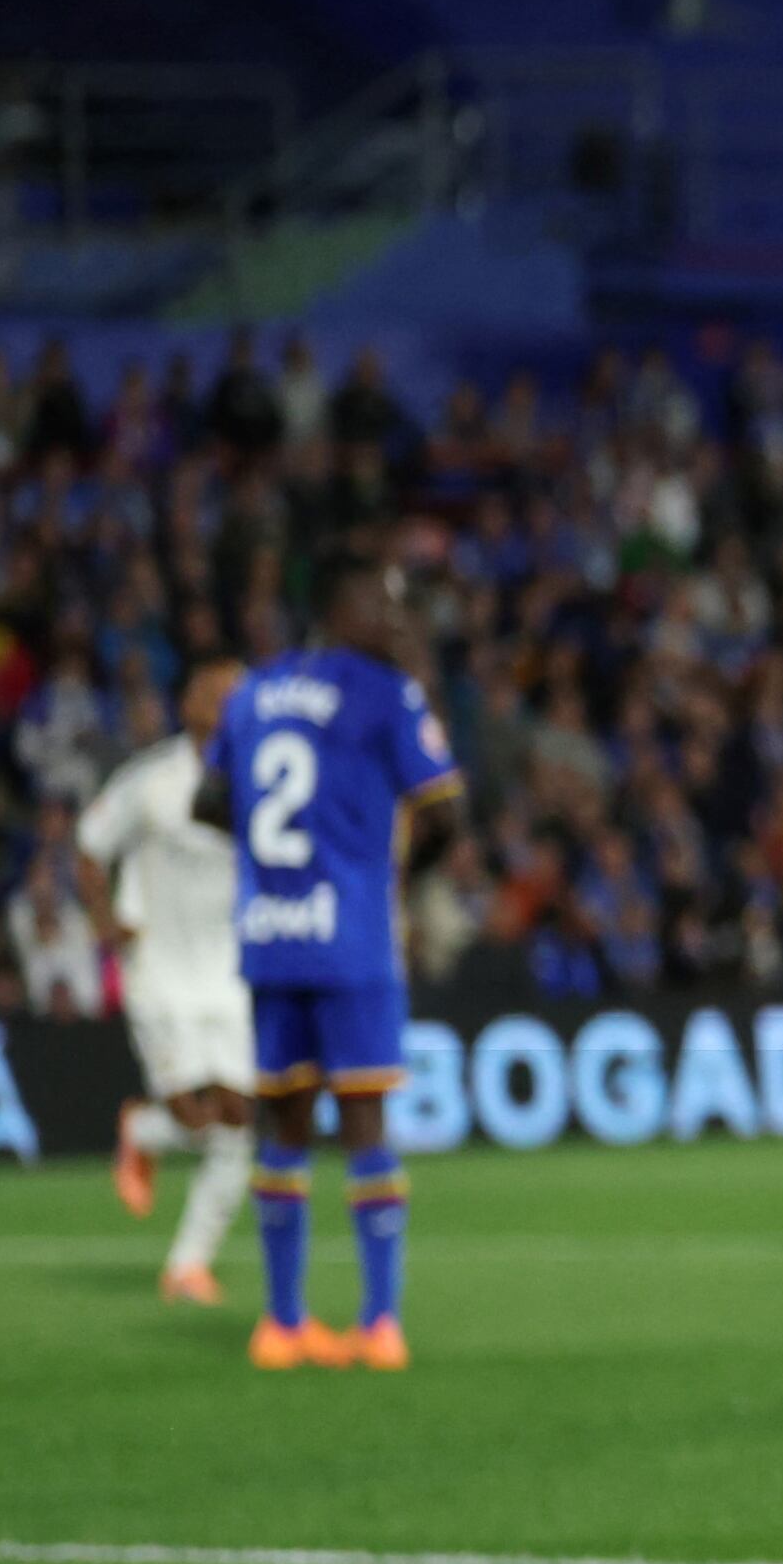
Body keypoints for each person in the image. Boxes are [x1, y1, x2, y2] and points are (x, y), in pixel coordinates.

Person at [203, 557, 463, 1370]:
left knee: (284, 1123)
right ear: (338, 603)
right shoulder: (386, 691)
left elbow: (207, 802)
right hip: (351, 938)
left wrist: (272, 866)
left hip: (271, 935)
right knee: (363, 1125)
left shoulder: (253, 690)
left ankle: (281, 1324)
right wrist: (384, 875)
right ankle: (379, 1321)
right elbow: (446, 813)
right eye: (379, 597)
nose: (392, 614)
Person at [78, 662, 258, 1302]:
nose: (233, 702)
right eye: (219, 691)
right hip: (159, 968)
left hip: (232, 973)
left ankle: (188, 1265)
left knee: (238, 1119)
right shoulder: (152, 781)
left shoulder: (263, 779)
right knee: (192, 1113)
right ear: (191, 704)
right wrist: (106, 923)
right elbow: (89, 847)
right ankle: (146, 1130)